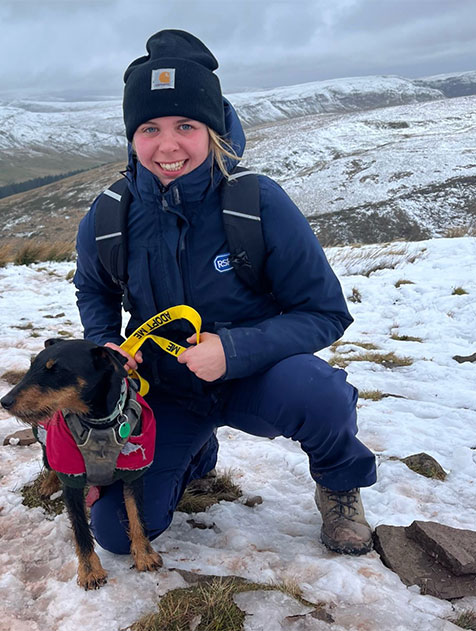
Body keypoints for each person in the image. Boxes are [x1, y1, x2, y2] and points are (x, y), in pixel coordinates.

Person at [73, 29, 377, 556]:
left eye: (186, 125)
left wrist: (233, 351)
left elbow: (325, 312)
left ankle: (338, 483)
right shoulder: (108, 215)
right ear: (132, 136)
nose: (167, 146)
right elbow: (93, 288)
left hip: (256, 379)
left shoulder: (257, 203)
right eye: (150, 128)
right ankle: (191, 456)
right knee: (118, 534)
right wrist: (105, 345)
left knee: (319, 393)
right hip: (162, 391)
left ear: (212, 129)